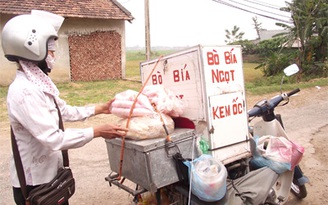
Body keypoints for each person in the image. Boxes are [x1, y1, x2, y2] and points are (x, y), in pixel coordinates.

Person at [1, 10, 128, 205]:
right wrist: (97, 131)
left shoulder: (38, 83)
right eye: (51, 50)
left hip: (50, 177)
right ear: (32, 48)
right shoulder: (23, 92)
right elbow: (53, 139)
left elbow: (63, 111)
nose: (54, 55)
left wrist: (99, 108)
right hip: (36, 185)